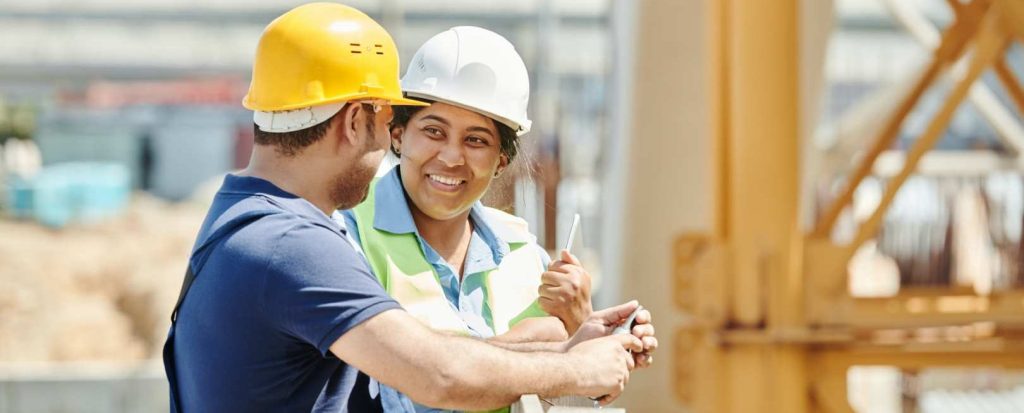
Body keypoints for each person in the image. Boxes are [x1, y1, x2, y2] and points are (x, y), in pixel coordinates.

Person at [163, 4, 649, 413]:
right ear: (357, 120)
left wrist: (566, 342)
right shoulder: (295, 246)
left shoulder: (246, 219)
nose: (388, 141)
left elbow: (430, 361)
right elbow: (435, 374)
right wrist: (575, 365)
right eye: (388, 120)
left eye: (476, 140)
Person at [339, 27, 657, 413]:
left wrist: (584, 331)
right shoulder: (346, 235)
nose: (452, 157)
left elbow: (561, 394)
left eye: (476, 140)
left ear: (501, 162)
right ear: (398, 135)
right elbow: (395, 389)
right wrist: (541, 346)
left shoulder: (524, 254)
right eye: (433, 131)